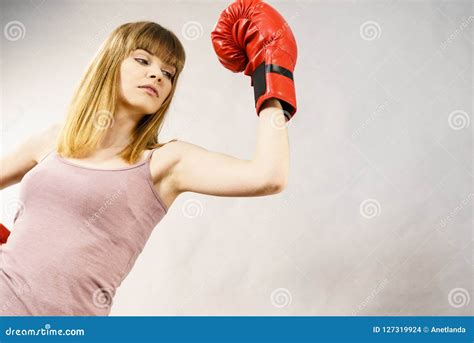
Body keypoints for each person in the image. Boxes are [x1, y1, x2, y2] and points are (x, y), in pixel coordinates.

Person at [0, 0, 297, 315]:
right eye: (143, 60)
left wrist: (271, 72)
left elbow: (269, 176)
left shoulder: (165, 162)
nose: (157, 75)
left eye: (168, 73)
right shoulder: (52, 140)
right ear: (109, 63)